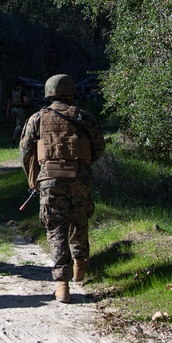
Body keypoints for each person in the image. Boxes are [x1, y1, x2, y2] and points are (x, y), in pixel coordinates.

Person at [19, 74, 106, 304]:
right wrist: (82, 164)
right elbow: (99, 147)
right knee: (80, 221)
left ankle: (62, 285)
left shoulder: (37, 119)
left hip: (50, 180)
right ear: (70, 92)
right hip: (80, 178)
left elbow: (24, 152)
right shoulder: (84, 117)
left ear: (49, 93)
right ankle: (80, 265)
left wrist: (34, 176)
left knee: (56, 229)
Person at [6, 81, 32, 145]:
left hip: (12, 109)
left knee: (16, 123)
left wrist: (7, 111)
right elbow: (25, 100)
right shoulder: (22, 92)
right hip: (19, 109)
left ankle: (19, 137)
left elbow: (9, 102)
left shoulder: (12, 92)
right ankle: (15, 137)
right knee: (20, 124)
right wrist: (26, 105)